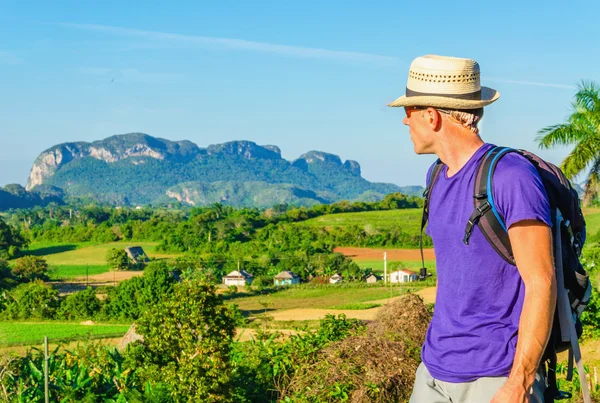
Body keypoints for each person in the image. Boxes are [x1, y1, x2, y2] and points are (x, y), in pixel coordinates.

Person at [388, 54, 557, 402]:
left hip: (495, 377)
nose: (405, 122)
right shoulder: (437, 175)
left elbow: (542, 282)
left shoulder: (510, 177)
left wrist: (519, 384)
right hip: (434, 369)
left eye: (409, 112)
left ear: (431, 116)